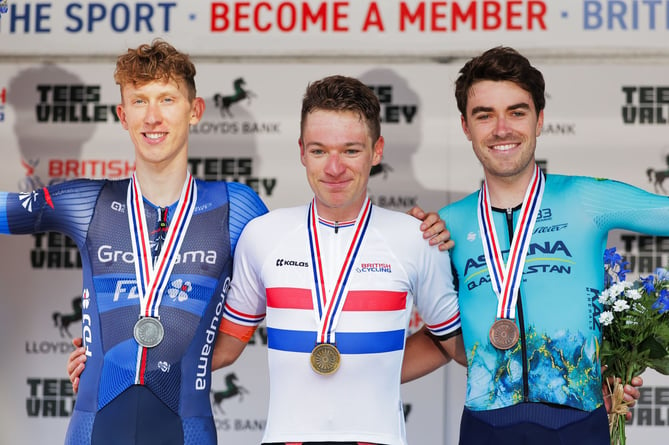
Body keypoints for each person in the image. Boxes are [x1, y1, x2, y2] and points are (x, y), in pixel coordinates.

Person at [2, 40, 269, 445]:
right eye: (140, 102)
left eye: (167, 98)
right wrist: (110, 361)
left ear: (194, 111)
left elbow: (306, 254)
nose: (153, 116)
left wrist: (180, 362)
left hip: (187, 430)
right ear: (122, 116)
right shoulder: (86, 201)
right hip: (94, 429)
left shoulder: (237, 206)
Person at [404, 46, 669, 444]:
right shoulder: (447, 226)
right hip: (484, 429)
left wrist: (609, 361)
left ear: (539, 119)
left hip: (581, 426)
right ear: (465, 126)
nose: (502, 128)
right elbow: (446, 340)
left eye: (516, 111)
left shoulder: (586, 199)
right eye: (484, 115)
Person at [208, 74, 466, 445]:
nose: (333, 168)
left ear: (377, 151)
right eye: (319, 150)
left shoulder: (415, 237)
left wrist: (379, 365)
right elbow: (223, 350)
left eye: (350, 150)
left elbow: (452, 345)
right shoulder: (263, 234)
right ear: (301, 151)